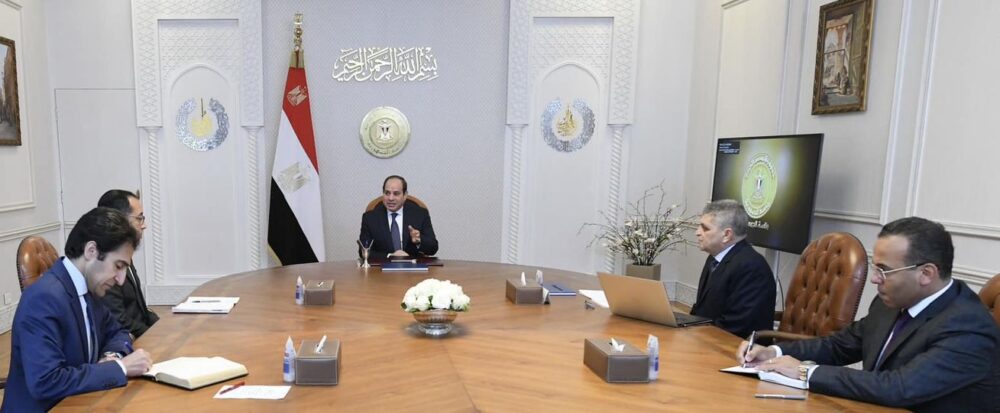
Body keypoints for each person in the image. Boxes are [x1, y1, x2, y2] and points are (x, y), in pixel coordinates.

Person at [739, 217, 1000, 411]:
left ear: (926, 273)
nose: (875, 279)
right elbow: (841, 346)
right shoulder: (891, 302)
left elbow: (899, 388)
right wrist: (775, 352)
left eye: (884, 270)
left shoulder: (968, 327)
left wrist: (806, 372)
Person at [3, 207, 154, 412]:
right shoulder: (43, 298)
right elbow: (46, 382)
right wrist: (120, 367)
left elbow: (119, 332)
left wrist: (111, 356)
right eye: (118, 266)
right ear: (91, 251)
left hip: (82, 402)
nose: (120, 280)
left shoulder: (89, 286)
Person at [689, 200, 775, 338]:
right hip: (707, 336)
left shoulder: (752, 267)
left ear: (727, 235)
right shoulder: (715, 257)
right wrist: (686, 327)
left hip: (735, 345)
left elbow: (738, 324)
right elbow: (703, 309)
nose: (697, 232)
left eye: (705, 228)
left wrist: (696, 334)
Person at [97, 189, 159, 339]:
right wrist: (153, 335)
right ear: (119, 220)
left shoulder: (123, 251)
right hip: (128, 341)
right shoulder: (105, 261)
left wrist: (162, 327)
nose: (144, 225)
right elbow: (119, 320)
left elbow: (140, 310)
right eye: (139, 218)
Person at [359, 175, 438, 258]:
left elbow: (433, 248)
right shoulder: (370, 218)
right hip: (383, 265)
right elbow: (363, 251)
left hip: (413, 265)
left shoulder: (420, 214)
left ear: (405, 195)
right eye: (387, 193)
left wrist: (419, 241)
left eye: (396, 193)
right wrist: (390, 256)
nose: (390, 198)